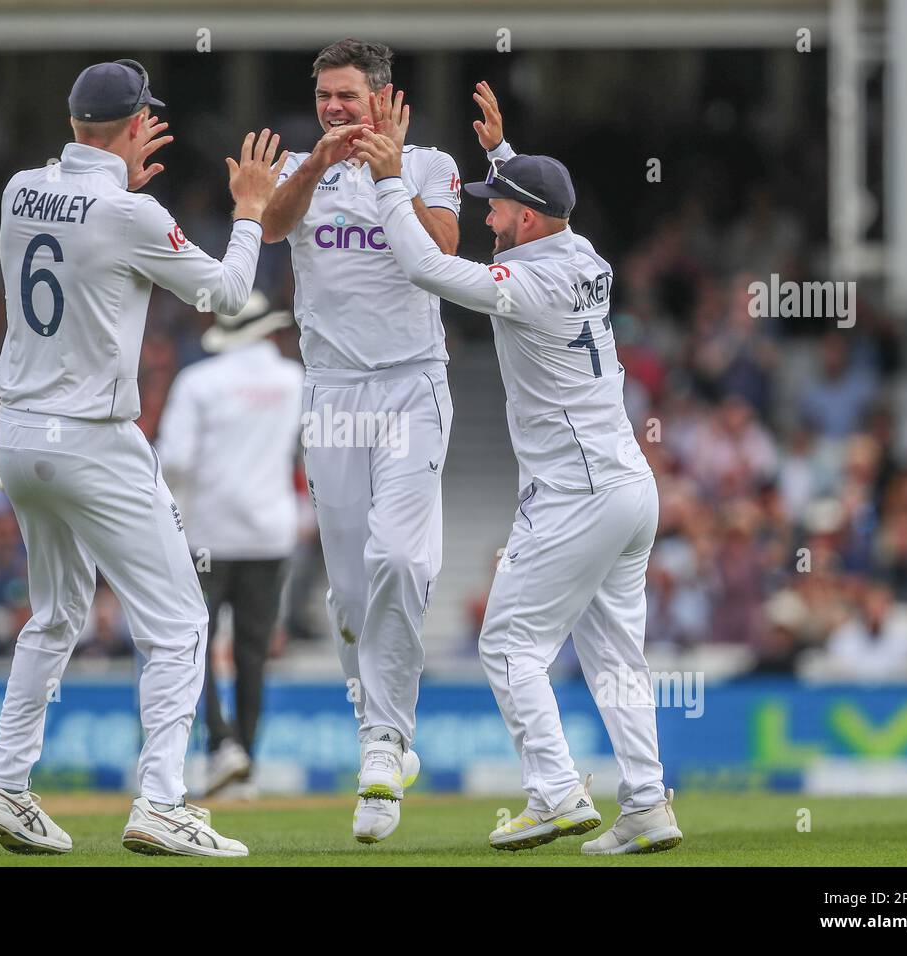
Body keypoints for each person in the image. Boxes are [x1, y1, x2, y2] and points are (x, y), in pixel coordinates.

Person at [351, 82, 683, 855]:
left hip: (576, 493)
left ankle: (556, 792)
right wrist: (504, 155)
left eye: (496, 206)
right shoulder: (583, 254)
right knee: (616, 658)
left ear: (526, 220)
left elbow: (429, 268)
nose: (485, 216)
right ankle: (646, 802)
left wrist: (392, 178)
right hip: (629, 487)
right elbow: (539, 209)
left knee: (506, 646)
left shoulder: (528, 283)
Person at [0, 59, 285, 858]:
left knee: (55, 614)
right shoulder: (129, 212)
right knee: (180, 624)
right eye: (148, 116)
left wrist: (114, 171)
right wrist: (250, 209)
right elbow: (225, 294)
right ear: (137, 123)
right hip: (91, 437)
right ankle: (163, 801)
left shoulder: (19, 190)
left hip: (19, 432)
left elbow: (80, 207)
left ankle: (4, 784)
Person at [260, 37, 459, 844]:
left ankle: (386, 743)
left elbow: (443, 253)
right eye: (325, 98)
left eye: (348, 97)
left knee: (401, 560)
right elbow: (271, 226)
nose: (336, 110)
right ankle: (376, 743)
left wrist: (386, 172)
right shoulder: (296, 172)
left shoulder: (430, 164)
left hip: (412, 383)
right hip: (334, 392)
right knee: (346, 596)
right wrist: (316, 164)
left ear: (382, 97)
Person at [157, 291, 304, 797]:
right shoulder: (293, 382)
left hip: (208, 535)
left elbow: (173, 460)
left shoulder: (199, 383)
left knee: (191, 646)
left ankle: (223, 747)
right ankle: (246, 764)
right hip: (271, 533)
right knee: (253, 654)